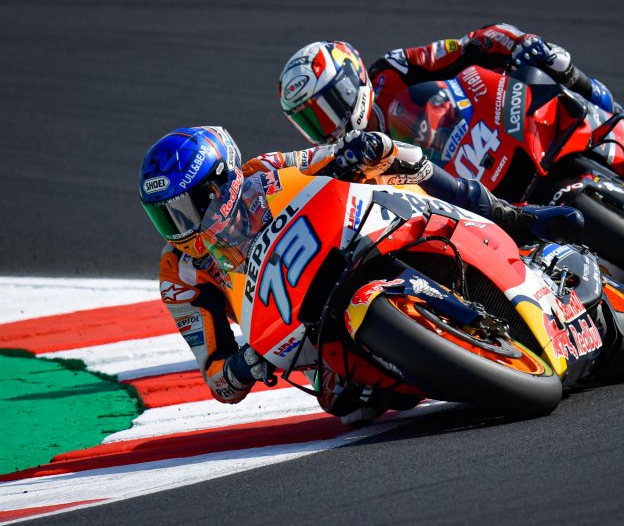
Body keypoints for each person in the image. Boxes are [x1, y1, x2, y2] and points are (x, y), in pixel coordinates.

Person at [139, 125, 579, 424]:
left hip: (350, 238)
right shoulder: (179, 274)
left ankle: (513, 217)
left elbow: (325, 158)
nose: (180, 229)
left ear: (221, 182)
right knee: (346, 406)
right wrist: (241, 368)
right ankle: (457, 364)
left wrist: (355, 149)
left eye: (186, 209)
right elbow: (217, 379)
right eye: (165, 218)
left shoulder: (265, 170)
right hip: (302, 324)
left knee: (392, 159)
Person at [278, 24, 624, 158]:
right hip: (466, 196)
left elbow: (465, 46)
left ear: (351, 81)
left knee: (547, 62)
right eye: (310, 121)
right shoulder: (346, 161)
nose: (327, 126)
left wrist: (517, 42)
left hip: (487, 127)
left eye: (327, 107)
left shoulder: (392, 70)